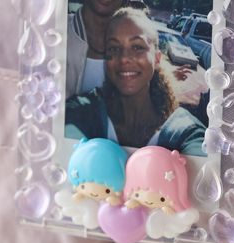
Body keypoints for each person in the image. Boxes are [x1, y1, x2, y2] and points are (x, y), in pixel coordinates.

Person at [65, 8, 206, 156]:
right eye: (114, 48)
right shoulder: (84, 111)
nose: (124, 58)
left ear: (157, 59)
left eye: (137, 47)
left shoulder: (184, 131)